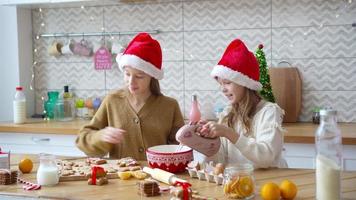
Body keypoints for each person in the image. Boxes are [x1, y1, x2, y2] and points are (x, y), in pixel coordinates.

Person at [76, 33, 184, 160]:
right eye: (127, 74)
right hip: (120, 178)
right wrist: (100, 136)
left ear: (152, 76)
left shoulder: (170, 106)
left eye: (139, 76)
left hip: (159, 177)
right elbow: (83, 139)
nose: (131, 82)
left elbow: (180, 147)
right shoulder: (112, 101)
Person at [197, 39, 287, 168]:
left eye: (227, 83)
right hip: (239, 183)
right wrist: (207, 140)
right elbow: (219, 160)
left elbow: (267, 157)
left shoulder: (269, 111)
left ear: (245, 83)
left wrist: (228, 133)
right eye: (221, 84)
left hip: (269, 184)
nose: (223, 89)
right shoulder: (228, 113)